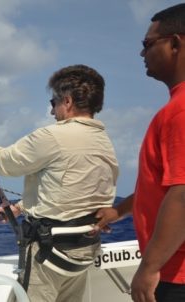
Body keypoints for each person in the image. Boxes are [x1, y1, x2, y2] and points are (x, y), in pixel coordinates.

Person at [0, 64, 119, 302]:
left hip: (50, 253)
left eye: (53, 103)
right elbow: (69, 192)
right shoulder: (103, 140)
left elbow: (8, 162)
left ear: (66, 101)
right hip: (84, 249)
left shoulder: (53, 136)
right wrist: (21, 207)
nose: (52, 111)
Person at [94, 4, 185, 302]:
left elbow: (182, 193)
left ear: (175, 43)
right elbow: (162, 185)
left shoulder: (179, 111)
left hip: (176, 276)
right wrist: (118, 211)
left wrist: (149, 267)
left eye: (147, 44)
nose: (141, 54)